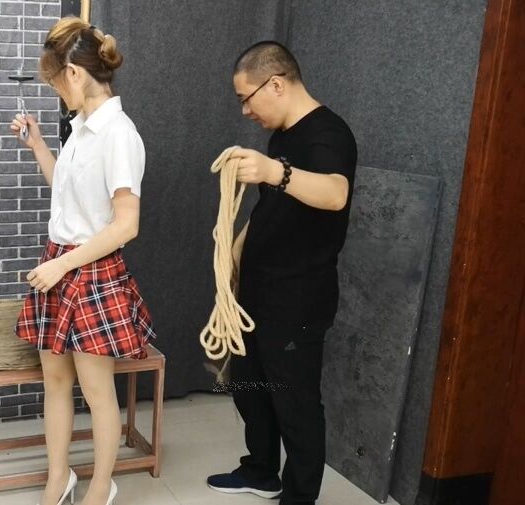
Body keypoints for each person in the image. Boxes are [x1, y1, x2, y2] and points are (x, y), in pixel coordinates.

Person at [11, 16, 156, 505]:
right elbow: (67, 195)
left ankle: (100, 486)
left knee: (96, 391)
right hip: (60, 263)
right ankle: (59, 478)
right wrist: (37, 144)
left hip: (90, 271)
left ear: (73, 73)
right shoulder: (81, 131)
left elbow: (126, 225)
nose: (56, 93)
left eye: (55, 83)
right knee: (55, 381)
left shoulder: (119, 134)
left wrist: (62, 266)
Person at [206, 41, 358, 505]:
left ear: (275, 84)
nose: (245, 111)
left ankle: (299, 496)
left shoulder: (328, 133)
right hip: (259, 291)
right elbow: (273, 205)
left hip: (298, 299)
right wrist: (237, 245)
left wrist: (276, 172)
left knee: (295, 402)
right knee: (251, 388)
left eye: (245, 98)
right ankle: (261, 470)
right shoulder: (282, 136)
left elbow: (335, 193)